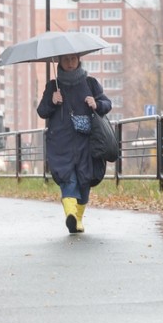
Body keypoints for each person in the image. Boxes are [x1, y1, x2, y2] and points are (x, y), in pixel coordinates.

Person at [36, 53, 111, 234]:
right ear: (60, 62)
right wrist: (52, 101)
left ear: (79, 60)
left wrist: (96, 103)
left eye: (73, 59)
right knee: (67, 177)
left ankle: (77, 219)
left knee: (85, 180)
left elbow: (107, 104)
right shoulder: (53, 86)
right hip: (62, 143)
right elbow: (42, 111)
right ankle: (70, 215)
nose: (70, 63)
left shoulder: (90, 83)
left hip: (86, 143)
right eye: (66, 60)